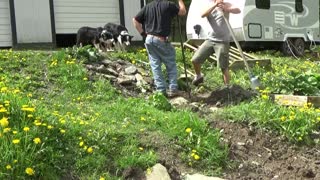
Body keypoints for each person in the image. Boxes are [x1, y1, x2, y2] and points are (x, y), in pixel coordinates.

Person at [133, 0, 186, 97]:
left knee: (155, 65)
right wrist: (180, 1)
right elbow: (182, 12)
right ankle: (173, 88)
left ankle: (161, 90)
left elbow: (135, 20)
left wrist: (143, 34)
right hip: (161, 39)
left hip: (149, 39)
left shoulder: (148, 7)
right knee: (170, 63)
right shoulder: (168, 4)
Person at [191, 0, 240, 86]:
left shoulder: (226, 4)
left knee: (223, 67)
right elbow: (203, 14)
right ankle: (198, 76)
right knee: (195, 59)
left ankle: (227, 88)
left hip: (223, 41)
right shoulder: (209, 5)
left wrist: (227, 9)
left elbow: (238, 10)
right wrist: (215, 5)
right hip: (210, 40)